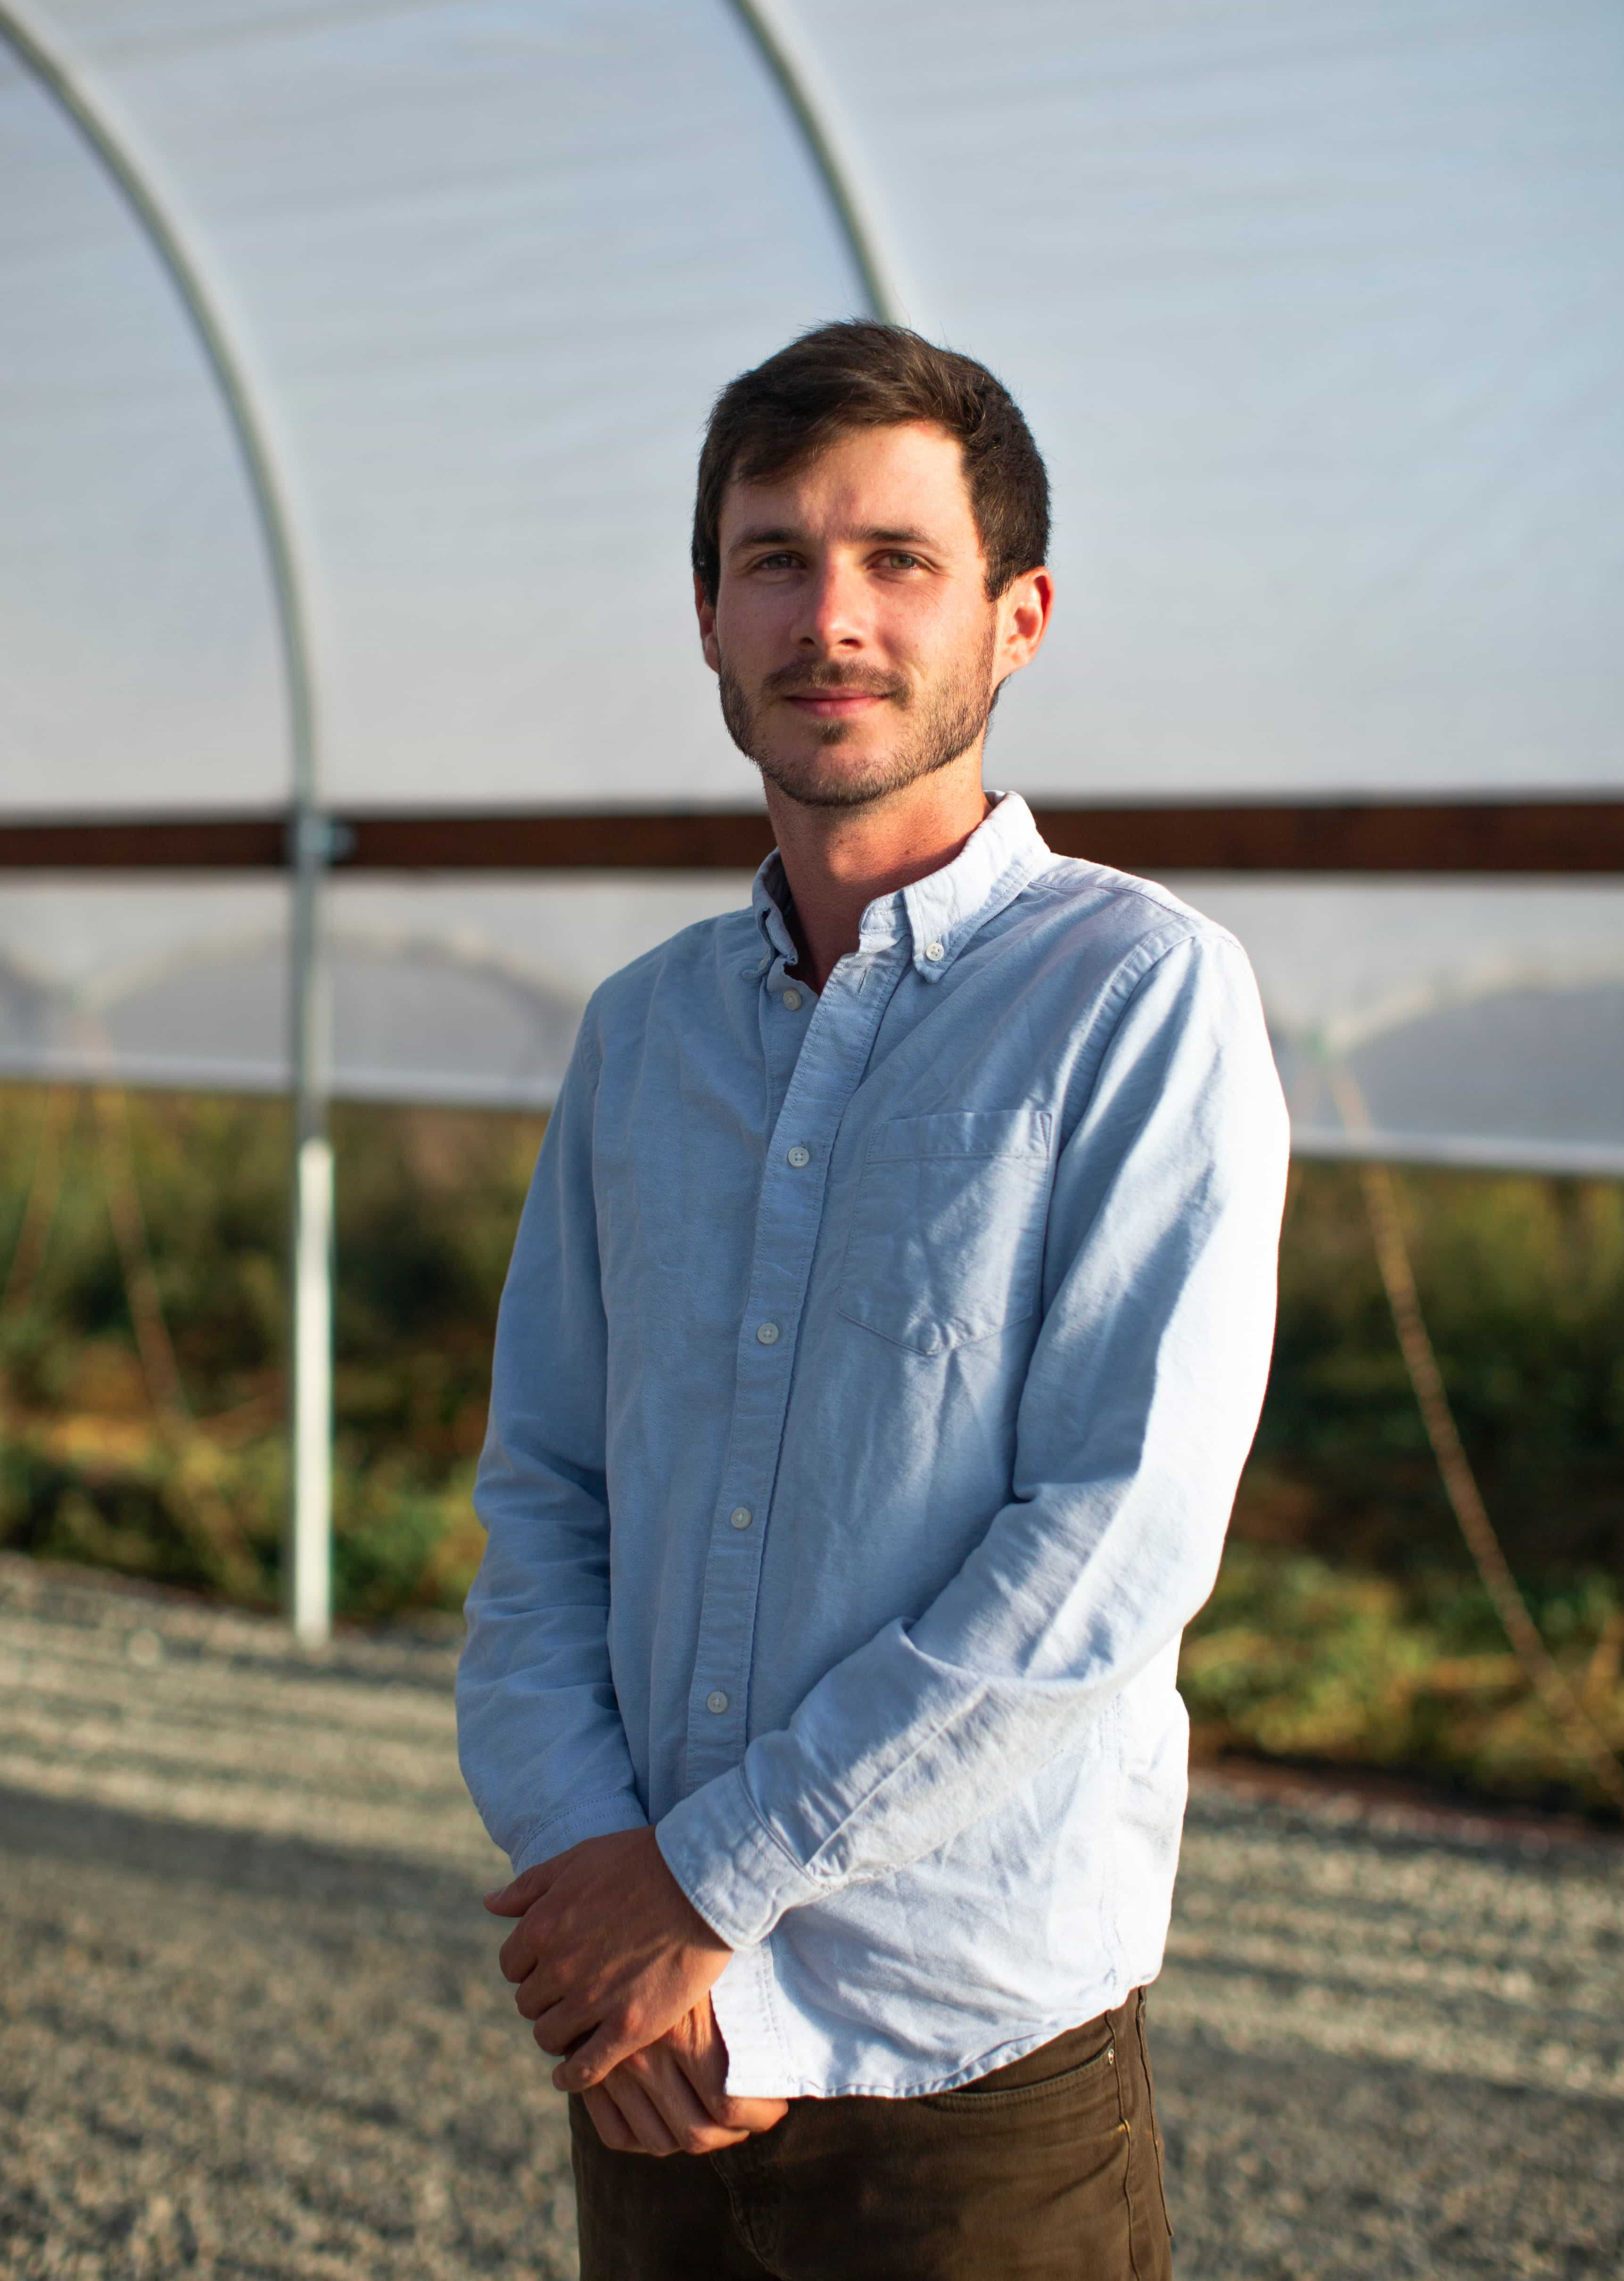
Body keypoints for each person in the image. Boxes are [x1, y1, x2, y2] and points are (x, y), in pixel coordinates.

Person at [456, 321, 1288, 2279]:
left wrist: (701, 1880)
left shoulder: (1137, 1000)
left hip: (964, 2069)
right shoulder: (640, 1034)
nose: (828, 617)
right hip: (653, 2056)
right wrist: (601, 1894)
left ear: (1016, 615)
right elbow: (543, 1496)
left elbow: (1108, 1541)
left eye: (895, 559)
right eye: (774, 558)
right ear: (706, 613)